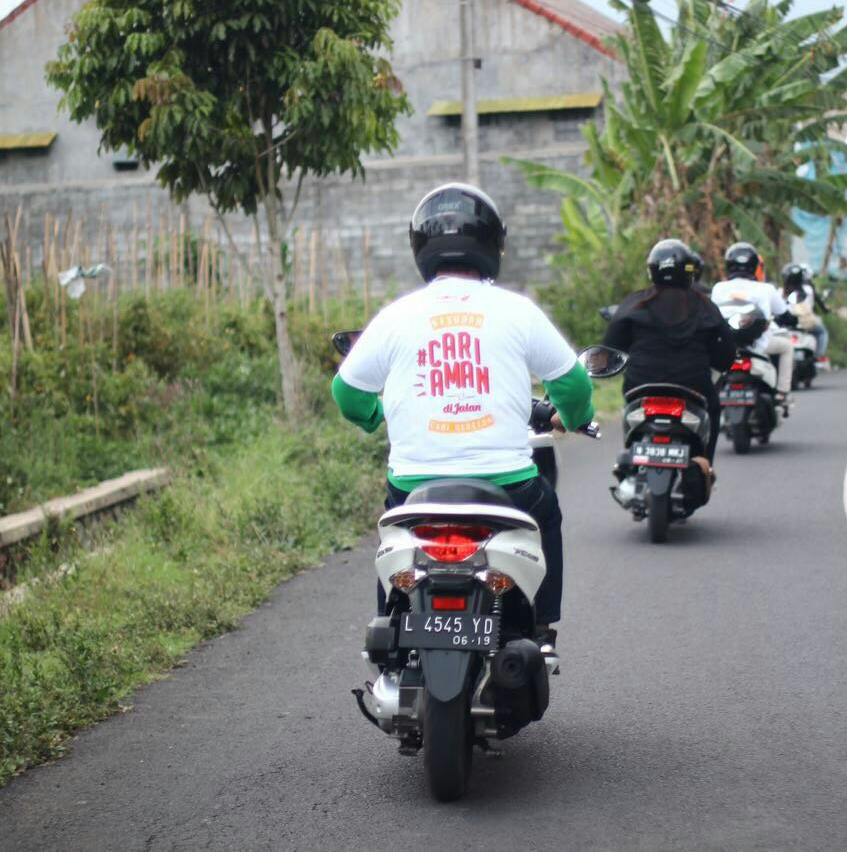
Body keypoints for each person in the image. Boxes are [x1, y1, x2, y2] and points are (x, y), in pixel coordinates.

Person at [331, 183, 594, 645]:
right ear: (495, 244)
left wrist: (376, 417)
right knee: (547, 513)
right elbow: (573, 385)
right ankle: (541, 629)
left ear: (419, 246)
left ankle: (389, 630)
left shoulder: (396, 315)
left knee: (395, 543)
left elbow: (347, 391)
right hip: (508, 486)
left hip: (414, 488)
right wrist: (570, 419)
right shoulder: (518, 311)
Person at [602, 239, 734, 492]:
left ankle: (630, 454)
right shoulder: (706, 305)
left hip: (641, 384)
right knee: (714, 408)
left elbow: (611, 348)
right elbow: (726, 354)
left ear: (652, 270)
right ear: (690, 270)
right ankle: (706, 467)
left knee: (629, 411)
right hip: (693, 386)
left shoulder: (634, 303)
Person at [711, 242, 797, 402]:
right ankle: (782, 392)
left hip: (724, 345)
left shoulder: (718, 288)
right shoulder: (766, 289)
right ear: (754, 265)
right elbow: (785, 315)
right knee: (787, 346)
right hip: (759, 345)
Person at [781, 262, 829, 360]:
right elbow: (812, 305)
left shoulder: (780, 292)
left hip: (786, 325)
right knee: (822, 332)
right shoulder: (808, 290)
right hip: (806, 324)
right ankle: (818, 357)